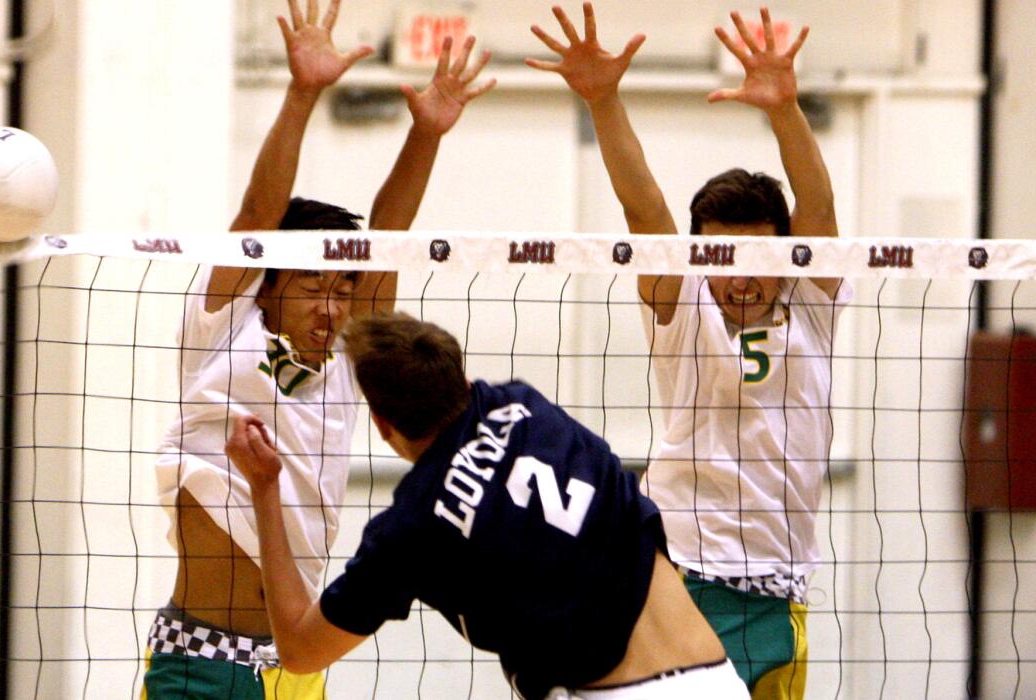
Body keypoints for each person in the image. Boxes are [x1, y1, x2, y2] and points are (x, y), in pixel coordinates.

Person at [144, 0, 496, 696]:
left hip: (297, 665)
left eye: (344, 288)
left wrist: (425, 134)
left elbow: (389, 234)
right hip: (203, 661)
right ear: (269, 284)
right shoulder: (222, 330)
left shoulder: (347, 358)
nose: (333, 304)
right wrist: (303, 94)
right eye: (314, 284)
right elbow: (256, 216)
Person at [527, 4, 850, 698]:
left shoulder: (812, 309)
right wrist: (604, 101)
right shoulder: (683, 309)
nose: (739, 277)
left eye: (756, 258)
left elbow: (818, 208)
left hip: (778, 593)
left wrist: (786, 109)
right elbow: (645, 213)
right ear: (699, 258)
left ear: (788, 257)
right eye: (720, 257)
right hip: (677, 583)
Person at [225, 311, 750, 700]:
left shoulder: (410, 529)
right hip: (721, 679)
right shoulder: (525, 404)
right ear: (462, 377)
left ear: (383, 426)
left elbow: (297, 651)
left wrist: (265, 487)